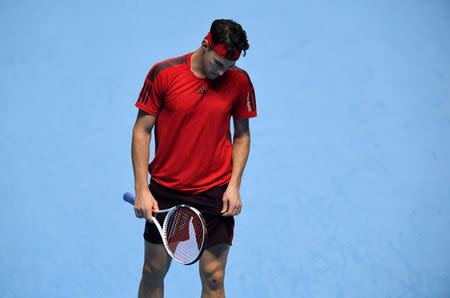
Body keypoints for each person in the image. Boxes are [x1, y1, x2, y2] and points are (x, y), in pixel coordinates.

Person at [131, 19, 257, 298]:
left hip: (215, 191)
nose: (223, 72)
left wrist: (234, 186)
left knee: (214, 277)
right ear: (205, 45)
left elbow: (242, 136)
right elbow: (142, 130)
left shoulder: (240, 81)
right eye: (219, 63)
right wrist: (142, 188)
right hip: (166, 189)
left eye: (229, 66)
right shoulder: (163, 74)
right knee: (152, 271)